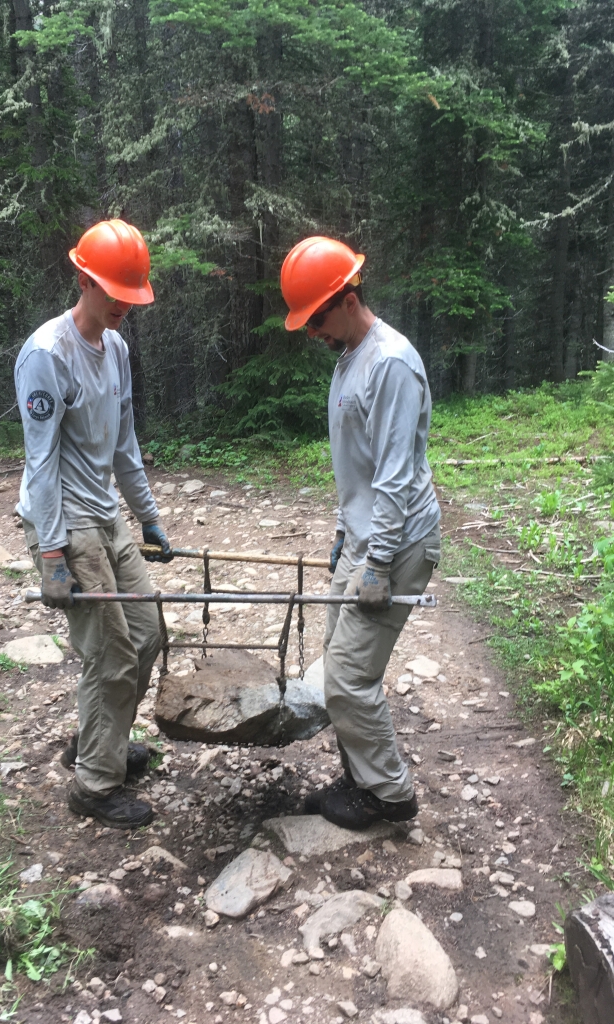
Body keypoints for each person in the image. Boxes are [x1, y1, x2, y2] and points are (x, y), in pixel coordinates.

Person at [14, 219, 173, 830]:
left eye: (132, 296)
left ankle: (95, 741)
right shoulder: (47, 356)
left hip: (105, 514)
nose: (125, 307)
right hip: (65, 525)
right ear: (83, 278)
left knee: (148, 632)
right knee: (109, 655)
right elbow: (42, 459)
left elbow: (125, 442)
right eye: (116, 295)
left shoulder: (117, 348)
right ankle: (95, 784)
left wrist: (148, 517)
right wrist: (52, 555)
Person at [280, 236, 441, 830]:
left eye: (316, 318)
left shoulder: (390, 363)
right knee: (334, 664)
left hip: (395, 544)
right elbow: (361, 466)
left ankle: (390, 796)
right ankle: (359, 776)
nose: (311, 332)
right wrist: (345, 533)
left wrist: (376, 563)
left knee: (349, 676)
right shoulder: (350, 355)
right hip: (364, 536)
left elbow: (397, 475)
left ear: (348, 298)